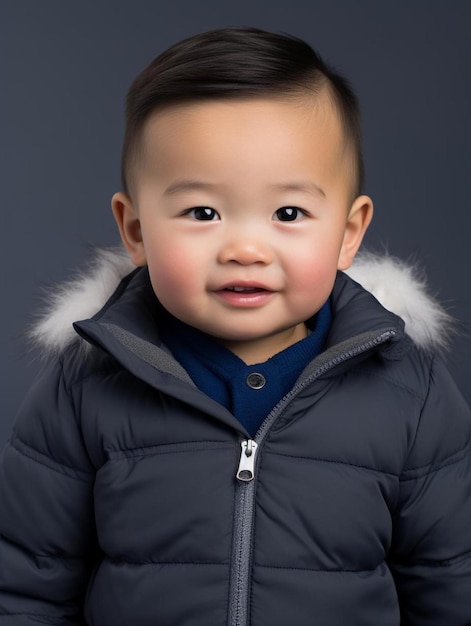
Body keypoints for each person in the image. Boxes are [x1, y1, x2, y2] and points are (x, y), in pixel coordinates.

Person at [1, 27, 470, 626]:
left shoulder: (410, 392)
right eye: (203, 212)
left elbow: (451, 584)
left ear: (348, 232)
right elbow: (26, 586)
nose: (246, 248)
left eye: (288, 213)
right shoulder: (88, 383)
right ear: (136, 230)